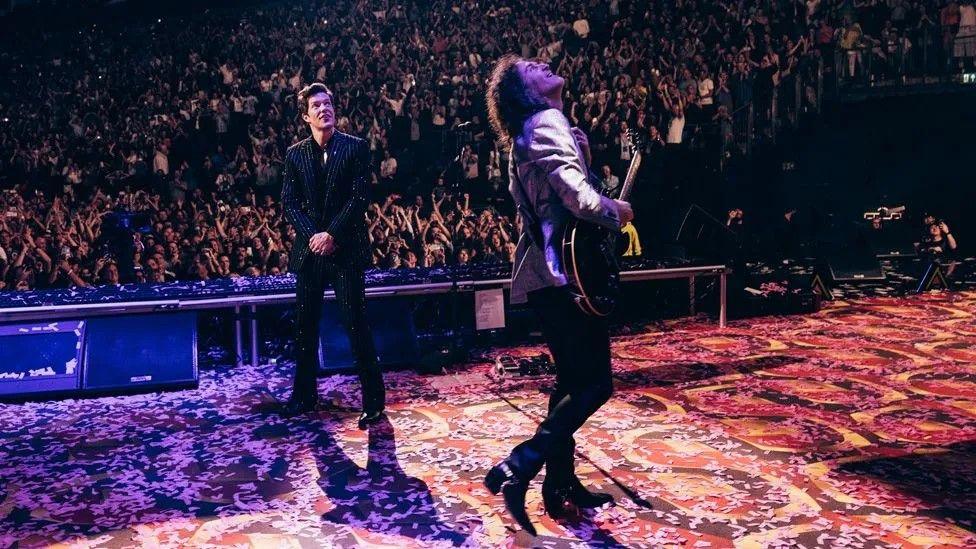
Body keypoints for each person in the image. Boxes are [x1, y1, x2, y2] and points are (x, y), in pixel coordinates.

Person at [484, 54, 634, 536]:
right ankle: (521, 464)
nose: (543, 61)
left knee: (571, 381)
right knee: (597, 384)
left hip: (543, 278)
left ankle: (559, 485)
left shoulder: (521, 136)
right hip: (565, 276)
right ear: (525, 90)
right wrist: (616, 210)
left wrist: (584, 160)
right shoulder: (548, 119)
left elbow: (539, 201)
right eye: (531, 66)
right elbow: (578, 199)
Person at [281, 83, 386, 429]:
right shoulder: (295, 154)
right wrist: (314, 235)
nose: (324, 108)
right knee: (304, 327)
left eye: (328, 102)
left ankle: (373, 401)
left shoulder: (355, 148)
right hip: (310, 252)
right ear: (305, 116)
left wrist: (332, 234)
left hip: (344, 251)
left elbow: (359, 199)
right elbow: (289, 203)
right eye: (316, 105)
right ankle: (304, 395)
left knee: (356, 325)